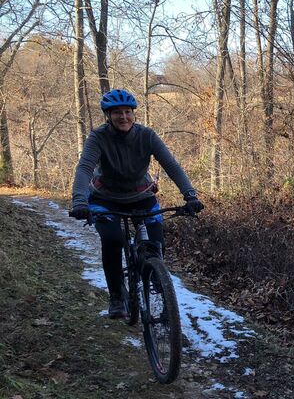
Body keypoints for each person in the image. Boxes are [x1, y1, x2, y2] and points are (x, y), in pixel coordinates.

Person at [70, 88, 203, 319]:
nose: (124, 117)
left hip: (142, 197)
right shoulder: (98, 137)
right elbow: (84, 168)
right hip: (105, 199)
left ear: (134, 114)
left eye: (128, 112)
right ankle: (116, 297)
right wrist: (80, 201)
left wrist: (190, 195)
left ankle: (155, 278)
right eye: (117, 113)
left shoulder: (147, 136)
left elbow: (171, 165)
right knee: (113, 241)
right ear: (108, 116)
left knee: (156, 243)